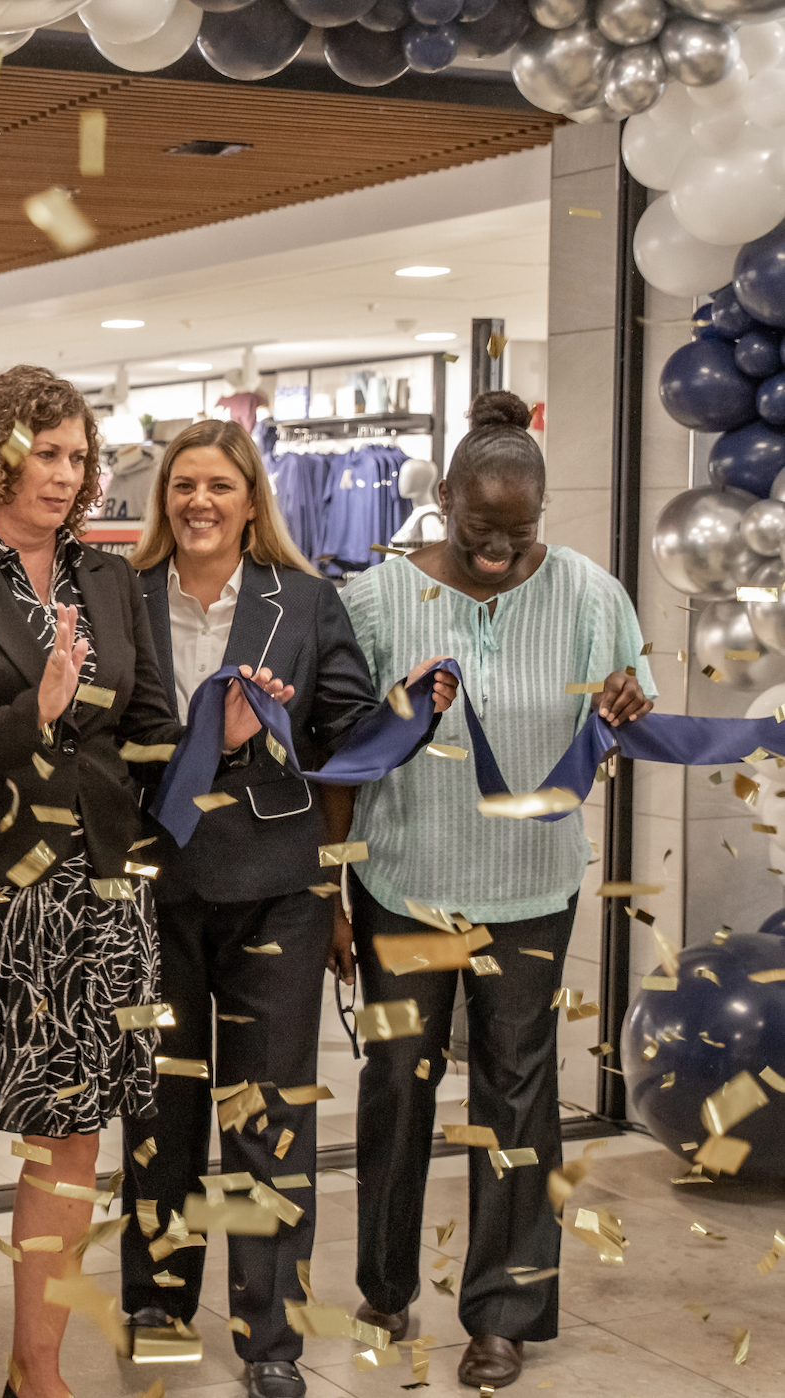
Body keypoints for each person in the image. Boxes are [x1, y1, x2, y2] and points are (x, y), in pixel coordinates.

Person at [0, 368, 289, 1398]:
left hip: (88, 894)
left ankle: (36, 1366)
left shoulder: (109, 580)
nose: (64, 474)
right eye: (44, 452)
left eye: (78, 457)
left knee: (71, 1137)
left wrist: (212, 738)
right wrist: (32, 714)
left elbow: (138, 738)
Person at [120, 419, 453, 1398]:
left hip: (278, 889)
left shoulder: (305, 600)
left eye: (218, 484)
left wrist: (407, 711)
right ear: (163, 498)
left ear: (252, 498)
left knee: (268, 1118)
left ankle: (271, 1337)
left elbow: (345, 727)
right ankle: (159, 1305)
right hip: (150, 888)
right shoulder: (120, 594)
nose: (198, 502)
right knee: (159, 1108)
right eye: (183, 485)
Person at [332, 390, 653, 1390]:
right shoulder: (378, 600)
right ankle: (386, 1288)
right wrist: (330, 889)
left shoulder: (592, 594)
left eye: (519, 534)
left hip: (529, 890)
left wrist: (625, 707)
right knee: (396, 1088)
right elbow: (341, 754)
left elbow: (626, 718)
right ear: (447, 506)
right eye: (480, 531)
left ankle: (504, 1314)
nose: (500, 552)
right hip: (405, 884)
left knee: (518, 1099)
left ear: (544, 511)